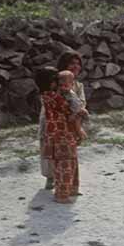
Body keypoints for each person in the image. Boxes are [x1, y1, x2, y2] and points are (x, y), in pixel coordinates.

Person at [37, 67, 80, 203]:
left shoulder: (50, 95)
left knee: (71, 161)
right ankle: (62, 194)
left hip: (63, 132)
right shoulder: (52, 96)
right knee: (64, 164)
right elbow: (69, 109)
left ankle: (71, 189)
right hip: (60, 135)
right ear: (51, 82)